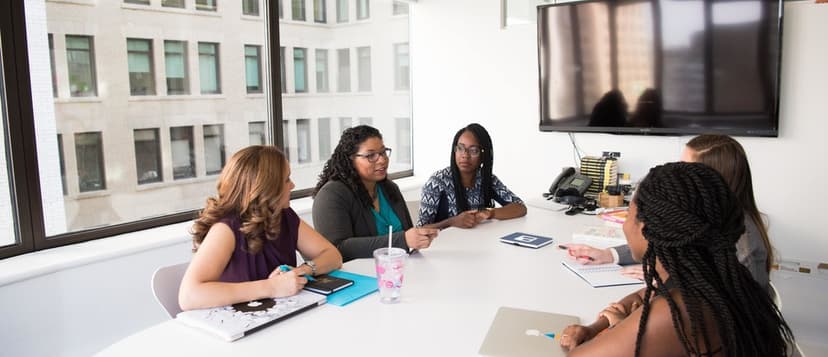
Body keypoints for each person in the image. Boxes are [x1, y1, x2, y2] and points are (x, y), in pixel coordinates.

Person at [561, 162, 794, 356]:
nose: (625, 227)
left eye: (628, 217)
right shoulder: (715, 277)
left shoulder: (676, 314)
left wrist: (617, 328)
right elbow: (646, 294)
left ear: (645, 228)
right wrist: (596, 326)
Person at [565, 134, 772, 290]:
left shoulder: (746, 245)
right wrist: (609, 255)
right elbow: (664, 240)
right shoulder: (701, 218)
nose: (676, 174)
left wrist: (671, 283)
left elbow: (743, 309)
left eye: (685, 168)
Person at [178, 146, 343, 310]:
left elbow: (333, 256)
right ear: (266, 188)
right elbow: (188, 296)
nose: (292, 185)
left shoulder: (283, 215)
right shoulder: (225, 229)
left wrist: (302, 271)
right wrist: (272, 287)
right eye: (287, 179)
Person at [312, 125, 439, 261]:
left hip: (399, 269)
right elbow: (338, 248)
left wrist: (419, 238)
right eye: (371, 155)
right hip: (358, 276)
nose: (382, 160)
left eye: (383, 152)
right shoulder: (332, 195)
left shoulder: (389, 188)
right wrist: (402, 240)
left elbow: (407, 232)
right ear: (350, 160)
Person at [417, 123, 527, 229]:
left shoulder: (487, 179)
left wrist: (490, 213)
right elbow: (420, 230)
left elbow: (520, 207)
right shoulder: (438, 182)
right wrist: (452, 222)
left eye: (473, 150)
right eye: (460, 148)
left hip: (476, 243)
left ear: (483, 155)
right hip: (443, 246)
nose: (465, 155)